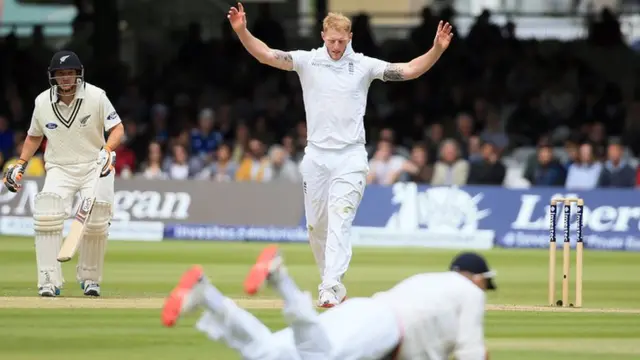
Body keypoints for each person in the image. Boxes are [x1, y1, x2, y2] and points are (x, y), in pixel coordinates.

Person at [227, 2, 454, 307]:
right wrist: (242, 30)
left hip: (350, 157)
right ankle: (332, 284)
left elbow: (409, 70)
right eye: (331, 40)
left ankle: (330, 285)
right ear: (323, 35)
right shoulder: (308, 61)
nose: (335, 47)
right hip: (316, 157)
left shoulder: (362, 65)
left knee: (340, 219)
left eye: (341, 41)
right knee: (315, 226)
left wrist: (437, 50)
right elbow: (267, 55)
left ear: (350, 36)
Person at [162, 245, 494, 360]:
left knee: (271, 353)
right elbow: (471, 352)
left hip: (367, 314)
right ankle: (280, 278)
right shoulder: (470, 292)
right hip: (388, 327)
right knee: (321, 357)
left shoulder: (430, 281)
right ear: (475, 277)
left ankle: (208, 295)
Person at [2, 50, 124, 297]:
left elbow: (117, 128)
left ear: (78, 74)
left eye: (70, 73)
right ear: (53, 77)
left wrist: (108, 150)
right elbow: (34, 136)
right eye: (61, 74)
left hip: (94, 165)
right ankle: (48, 280)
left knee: (98, 219)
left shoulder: (96, 96)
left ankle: (90, 279)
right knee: (47, 213)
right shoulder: (42, 102)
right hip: (59, 167)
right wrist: (21, 164)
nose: (66, 78)